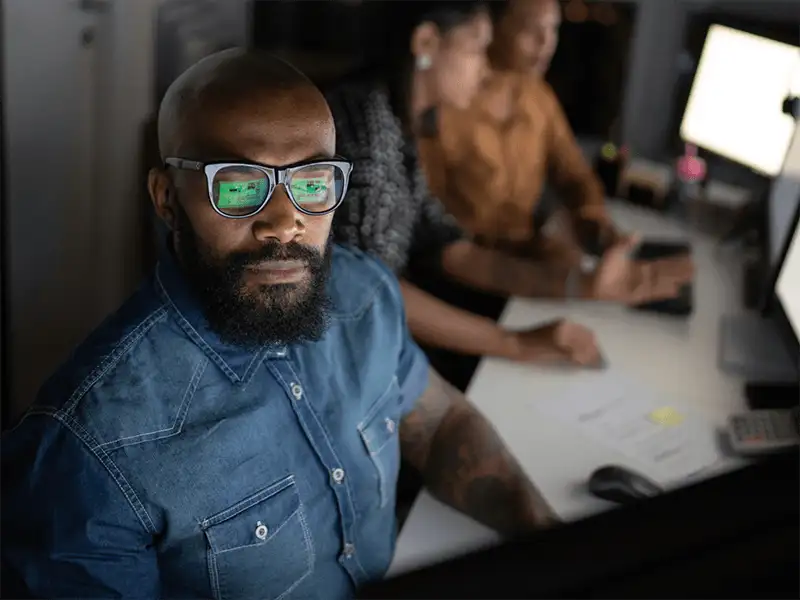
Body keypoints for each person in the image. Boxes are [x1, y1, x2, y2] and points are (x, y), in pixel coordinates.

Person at [0, 50, 557, 600]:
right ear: (168, 200)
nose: (286, 223)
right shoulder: (86, 449)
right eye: (240, 186)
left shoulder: (365, 295)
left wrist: (548, 537)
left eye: (313, 183)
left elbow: (437, 426)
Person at [326, 0, 693, 388]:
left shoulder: (399, 121)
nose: (484, 68)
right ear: (427, 42)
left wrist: (580, 285)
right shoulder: (366, 130)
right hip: (353, 361)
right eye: (476, 50)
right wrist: (514, 342)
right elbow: (372, 293)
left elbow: (449, 247)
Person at [423, 0, 647, 261]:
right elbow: (426, 222)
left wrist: (591, 218)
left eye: (553, 29)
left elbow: (573, 173)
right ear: (490, 27)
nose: (546, 43)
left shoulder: (539, 97)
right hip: (463, 264)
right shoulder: (448, 100)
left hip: (525, 257)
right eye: (531, 30)